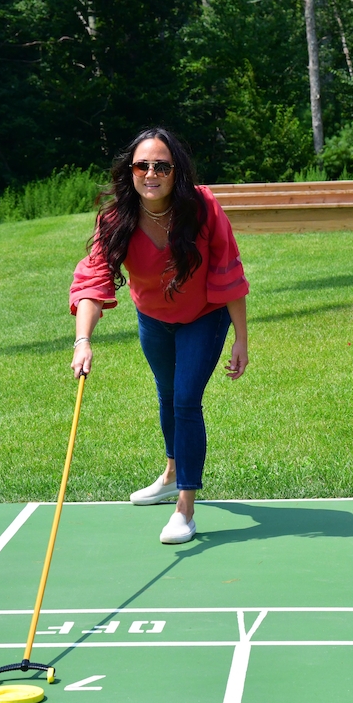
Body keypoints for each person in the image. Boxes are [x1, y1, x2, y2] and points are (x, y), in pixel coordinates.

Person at [69, 127, 249, 542]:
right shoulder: (116, 219)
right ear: (130, 171)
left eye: (161, 166)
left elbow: (229, 272)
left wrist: (241, 338)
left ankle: (185, 508)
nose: (151, 173)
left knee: (186, 400)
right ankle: (171, 473)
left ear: (176, 171)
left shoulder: (202, 208)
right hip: (153, 318)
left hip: (204, 315)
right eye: (142, 165)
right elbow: (93, 282)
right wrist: (83, 341)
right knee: (166, 395)